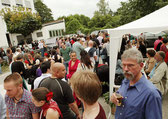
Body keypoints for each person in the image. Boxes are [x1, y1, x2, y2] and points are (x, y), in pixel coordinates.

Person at [110, 48, 162, 119]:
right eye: (123, 65)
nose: (125, 69)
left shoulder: (151, 94)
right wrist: (114, 96)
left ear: (141, 66)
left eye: (130, 65)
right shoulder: (126, 81)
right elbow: (119, 95)